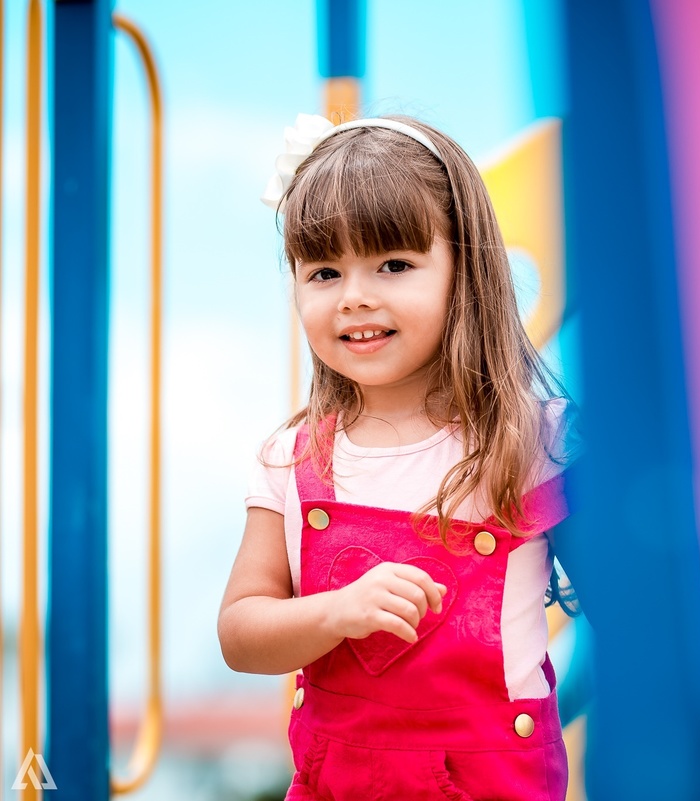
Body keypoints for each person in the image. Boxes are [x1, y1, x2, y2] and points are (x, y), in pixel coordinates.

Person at [217, 113, 578, 801]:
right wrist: (336, 612)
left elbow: (633, 602)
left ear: (462, 271)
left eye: (394, 264)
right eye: (324, 270)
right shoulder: (292, 459)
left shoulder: (534, 444)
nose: (355, 294)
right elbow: (240, 631)